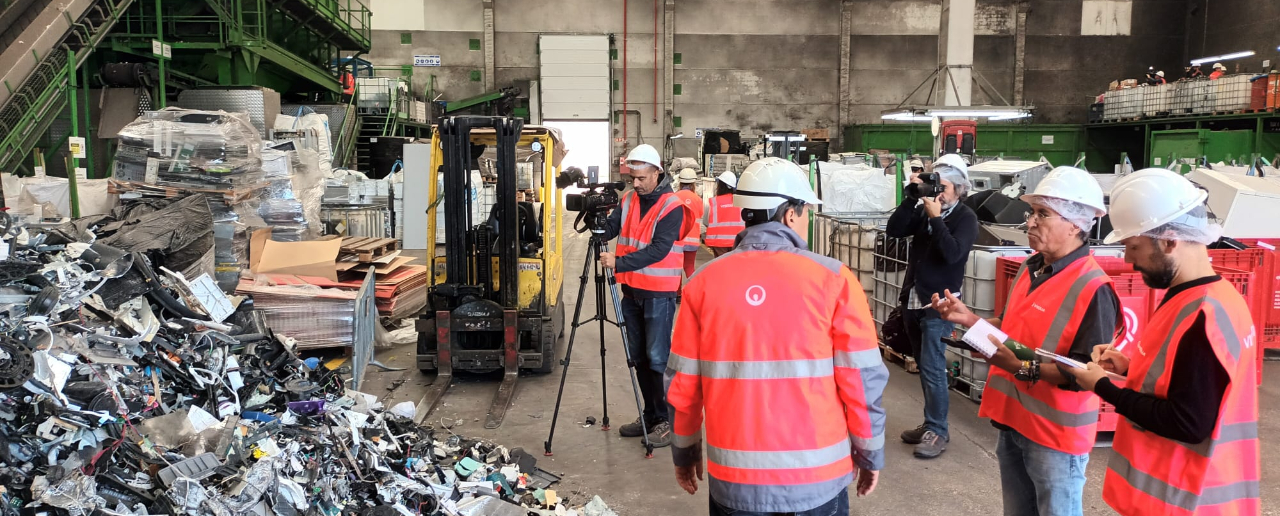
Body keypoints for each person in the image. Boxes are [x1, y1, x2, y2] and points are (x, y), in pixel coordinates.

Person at [666, 157, 887, 516]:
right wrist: (869, 452)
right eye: (805, 212)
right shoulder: (834, 280)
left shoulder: (702, 284)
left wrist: (685, 450)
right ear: (789, 214)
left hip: (735, 482)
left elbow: (682, 384)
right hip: (818, 480)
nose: (805, 220)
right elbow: (861, 380)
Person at [1063, 168, 1260, 516]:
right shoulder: (1209, 296)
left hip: (1187, 500)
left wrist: (1104, 387)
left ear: (1170, 240)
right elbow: (1188, 379)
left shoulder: (1203, 315)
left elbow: (1186, 422)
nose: (1127, 259)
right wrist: (1130, 368)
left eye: (1133, 246)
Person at [931, 167, 1121, 516]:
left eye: (1043, 214)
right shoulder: (1030, 267)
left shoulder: (1095, 289)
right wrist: (969, 320)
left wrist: (1021, 368)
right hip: (1014, 422)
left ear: (1076, 223)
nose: (1030, 223)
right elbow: (1010, 329)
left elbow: (1084, 373)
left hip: (1055, 439)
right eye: (1031, 213)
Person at [886, 152, 978, 459]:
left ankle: (938, 431)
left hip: (942, 306)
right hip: (913, 298)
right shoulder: (925, 208)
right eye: (934, 184)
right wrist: (910, 197)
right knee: (924, 368)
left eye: (945, 186)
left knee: (933, 368)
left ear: (960, 190)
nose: (938, 192)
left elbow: (952, 254)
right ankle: (930, 423)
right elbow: (894, 230)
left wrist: (936, 218)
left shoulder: (965, 218)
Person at [599, 143, 685, 447]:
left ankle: (667, 420)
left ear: (656, 173)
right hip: (631, 292)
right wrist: (598, 221)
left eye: (641, 178)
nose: (635, 184)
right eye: (632, 178)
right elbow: (612, 227)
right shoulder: (629, 199)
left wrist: (618, 262)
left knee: (658, 358)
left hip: (659, 294)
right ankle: (649, 415)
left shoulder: (671, 205)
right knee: (637, 357)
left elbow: (660, 249)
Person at [674, 168, 705, 286]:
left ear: (680, 183)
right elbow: (701, 215)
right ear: (693, 184)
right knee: (689, 266)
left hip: (677, 240)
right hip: (693, 241)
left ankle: (677, 294)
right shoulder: (697, 199)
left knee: (676, 267)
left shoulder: (674, 197)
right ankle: (694, 289)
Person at [703, 171, 744, 257]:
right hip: (738, 242)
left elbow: (706, 222)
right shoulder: (741, 202)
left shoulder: (713, 202)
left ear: (720, 186)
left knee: (721, 267)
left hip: (718, 243)